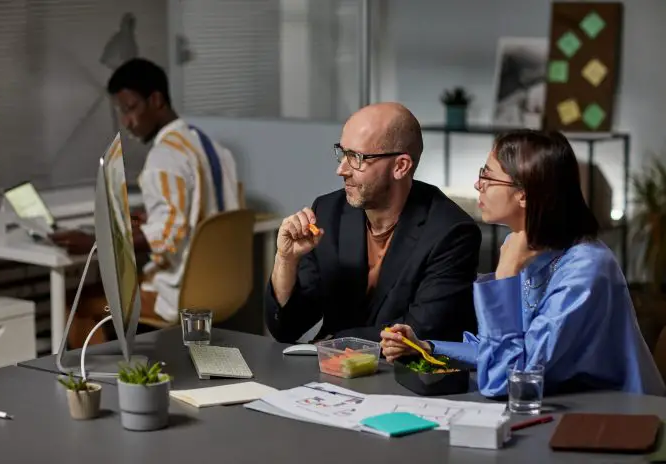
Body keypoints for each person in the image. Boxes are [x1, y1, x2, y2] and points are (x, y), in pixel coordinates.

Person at [380, 129, 665, 397]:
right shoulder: (523, 247)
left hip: (618, 418)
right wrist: (427, 347)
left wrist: (505, 277)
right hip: (561, 407)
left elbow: (507, 380)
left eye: (488, 177)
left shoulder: (586, 269)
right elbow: (504, 348)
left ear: (524, 194)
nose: (478, 185)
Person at [55, 58, 240, 348]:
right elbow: (206, 212)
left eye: (130, 109)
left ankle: (98, 387)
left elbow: (167, 237)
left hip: (176, 295)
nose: (127, 122)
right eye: (121, 112)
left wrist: (96, 241)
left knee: (77, 302)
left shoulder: (163, 158)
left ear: (155, 100)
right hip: (226, 288)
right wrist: (150, 220)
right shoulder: (211, 147)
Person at [265, 102, 481, 344]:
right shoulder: (327, 212)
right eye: (342, 152)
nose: (341, 169)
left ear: (400, 166)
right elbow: (287, 328)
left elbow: (421, 329)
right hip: (330, 369)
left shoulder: (451, 232)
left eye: (356, 157)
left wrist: (334, 341)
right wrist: (286, 259)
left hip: (401, 376)